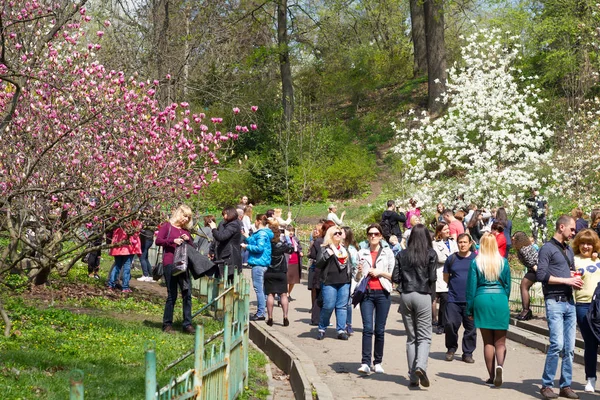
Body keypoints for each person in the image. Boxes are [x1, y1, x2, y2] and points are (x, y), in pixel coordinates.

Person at [536, 215, 583, 400]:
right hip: (554, 301)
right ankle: (546, 385)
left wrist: (574, 276)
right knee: (557, 345)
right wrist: (567, 279)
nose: (574, 233)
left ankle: (565, 385)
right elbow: (541, 275)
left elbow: (567, 271)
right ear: (561, 227)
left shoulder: (569, 250)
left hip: (569, 302)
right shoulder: (547, 248)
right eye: (572, 229)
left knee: (570, 348)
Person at [394, 224, 437, 388]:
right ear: (427, 237)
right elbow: (432, 277)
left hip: (406, 295)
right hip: (423, 294)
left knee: (411, 338)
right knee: (425, 336)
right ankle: (420, 366)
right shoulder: (430, 254)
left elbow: (395, 277)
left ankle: (413, 377)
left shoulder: (402, 254)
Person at [466, 233, 511, 387]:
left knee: (487, 342)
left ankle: (492, 376)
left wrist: (469, 309)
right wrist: (504, 300)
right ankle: (500, 367)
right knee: (500, 342)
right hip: (500, 299)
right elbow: (507, 286)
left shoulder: (476, 263)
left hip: (482, 299)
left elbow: (471, 288)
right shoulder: (503, 262)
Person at [354, 224, 395, 374]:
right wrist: (359, 272)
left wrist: (379, 272)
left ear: (381, 236)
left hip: (383, 293)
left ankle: (377, 362)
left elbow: (393, 276)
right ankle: (365, 362)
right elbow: (357, 277)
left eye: (376, 234)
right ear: (367, 236)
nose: (373, 236)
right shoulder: (361, 253)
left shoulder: (388, 253)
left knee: (380, 329)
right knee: (367, 328)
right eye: (370, 234)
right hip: (366, 293)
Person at [155, 205, 194, 334]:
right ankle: (167, 324)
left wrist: (188, 240)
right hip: (170, 263)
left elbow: (192, 248)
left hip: (183, 265)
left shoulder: (186, 231)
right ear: (179, 214)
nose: (186, 219)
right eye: (185, 216)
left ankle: (187, 324)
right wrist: (173, 240)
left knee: (187, 294)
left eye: (188, 218)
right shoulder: (167, 226)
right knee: (172, 294)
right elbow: (159, 241)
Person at [572, 229, 600, 393]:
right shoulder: (573, 260)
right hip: (583, 305)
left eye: (589, 243)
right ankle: (591, 378)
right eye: (582, 243)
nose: (586, 246)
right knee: (590, 343)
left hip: (599, 304)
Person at [444, 233, 477, 363]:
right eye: (460, 242)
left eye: (465, 242)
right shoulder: (452, 259)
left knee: (471, 328)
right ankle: (451, 348)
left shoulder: (476, 259)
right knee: (450, 324)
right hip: (453, 299)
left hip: (471, 300)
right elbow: (446, 276)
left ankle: (467, 353)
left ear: (470, 244)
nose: (462, 245)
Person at [315, 225, 352, 340]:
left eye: (339, 233)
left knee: (342, 306)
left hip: (344, 281)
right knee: (329, 306)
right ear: (330, 235)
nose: (338, 235)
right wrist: (327, 254)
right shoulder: (325, 248)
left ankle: (341, 330)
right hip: (329, 281)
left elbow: (349, 265)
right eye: (335, 233)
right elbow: (318, 264)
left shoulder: (344, 249)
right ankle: (322, 327)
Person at [242, 214, 274, 321]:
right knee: (262, 289)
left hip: (258, 263)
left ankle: (261, 312)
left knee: (259, 289)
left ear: (259, 221)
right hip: (263, 263)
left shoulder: (262, 233)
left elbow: (259, 247)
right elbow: (257, 241)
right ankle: (262, 311)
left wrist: (247, 246)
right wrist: (248, 237)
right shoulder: (265, 233)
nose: (254, 223)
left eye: (255, 221)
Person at [264, 219, 293, 327]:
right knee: (283, 295)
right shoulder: (281, 245)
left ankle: (270, 317)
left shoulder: (267, 245)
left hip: (269, 271)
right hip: (281, 271)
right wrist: (287, 238)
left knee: (270, 294)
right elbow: (291, 250)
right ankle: (285, 317)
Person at [432, 222, 458, 335]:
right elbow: (439, 258)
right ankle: (440, 325)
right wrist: (452, 257)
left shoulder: (453, 242)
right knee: (442, 300)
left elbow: (458, 254)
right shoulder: (434, 244)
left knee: (447, 302)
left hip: (453, 274)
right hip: (440, 275)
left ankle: (446, 324)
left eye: (448, 229)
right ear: (439, 232)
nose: (448, 231)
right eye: (445, 229)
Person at [106, 219, 142, 293]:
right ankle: (125, 287)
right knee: (126, 267)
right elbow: (138, 231)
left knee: (117, 266)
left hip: (118, 246)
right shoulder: (134, 221)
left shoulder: (118, 220)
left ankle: (111, 284)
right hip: (129, 248)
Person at [209, 207, 243, 279]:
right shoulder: (224, 224)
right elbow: (216, 238)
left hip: (230, 258)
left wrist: (213, 228)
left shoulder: (233, 225)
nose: (223, 216)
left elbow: (221, 237)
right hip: (224, 256)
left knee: (228, 282)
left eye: (224, 214)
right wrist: (212, 250)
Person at [512, 231, 539, 321]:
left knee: (524, 285)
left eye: (514, 239)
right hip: (533, 269)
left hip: (537, 269)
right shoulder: (522, 249)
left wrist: (542, 276)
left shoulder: (524, 249)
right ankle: (526, 310)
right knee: (523, 285)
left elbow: (533, 263)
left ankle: (526, 310)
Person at [342, 226, 359, 334]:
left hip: (349, 278)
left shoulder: (352, 249)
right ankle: (342, 324)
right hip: (337, 278)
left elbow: (355, 265)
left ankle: (348, 324)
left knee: (347, 303)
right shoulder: (336, 247)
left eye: (341, 232)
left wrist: (355, 278)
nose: (339, 234)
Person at [285, 226, 303, 299]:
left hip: (295, 261)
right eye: (289, 231)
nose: (291, 232)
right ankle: (285, 294)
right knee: (286, 279)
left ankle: (289, 293)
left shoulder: (296, 239)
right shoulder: (284, 240)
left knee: (293, 280)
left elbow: (299, 247)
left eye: (292, 231)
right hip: (287, 261)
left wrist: (300, 252)